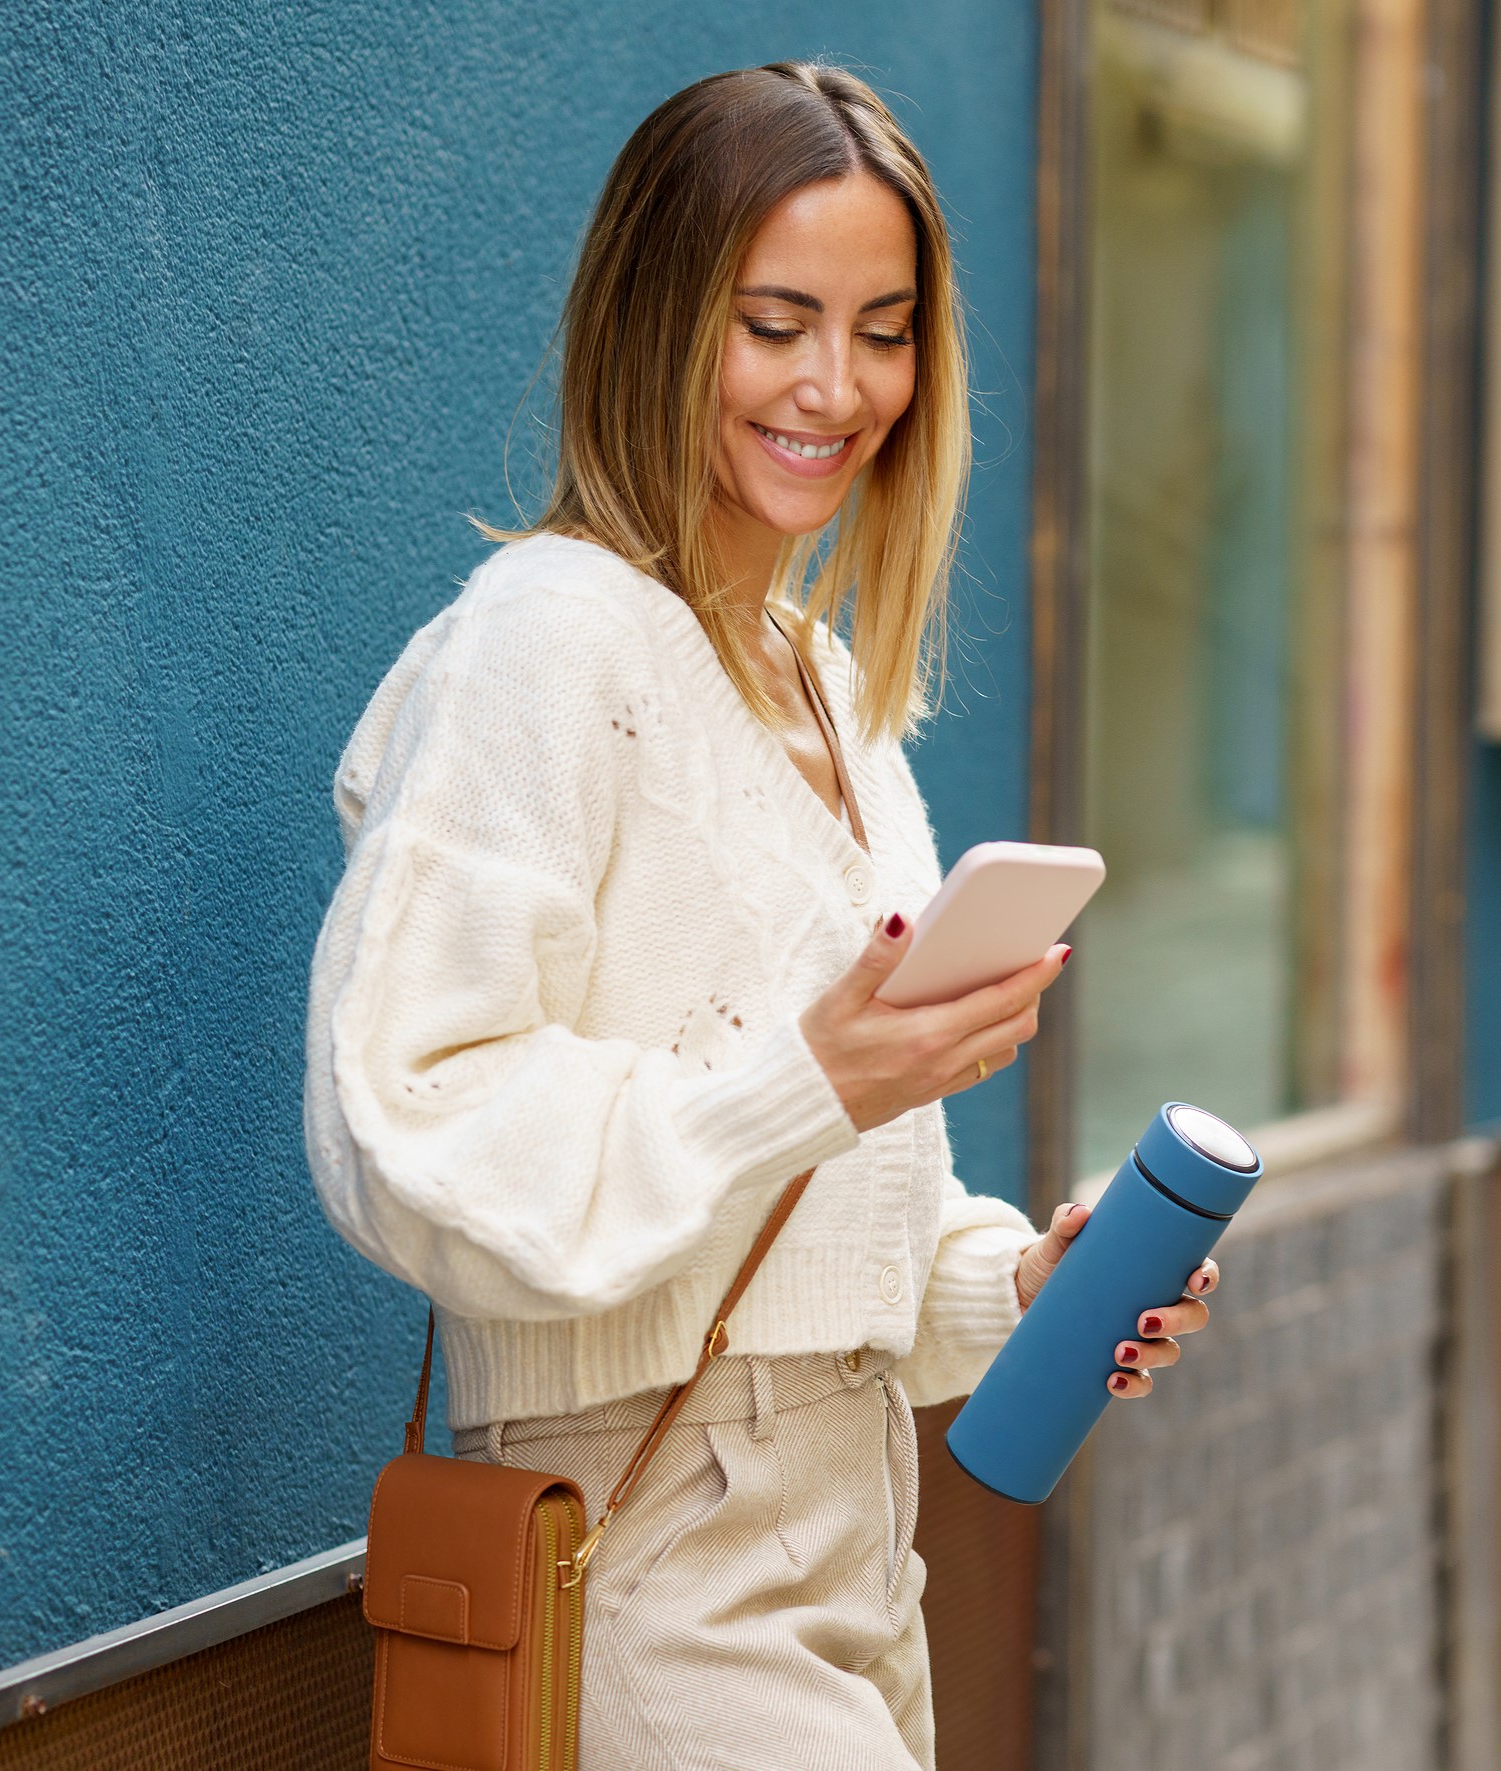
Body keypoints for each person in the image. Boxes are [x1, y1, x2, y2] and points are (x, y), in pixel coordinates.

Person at [304, 60, 1218, 1770]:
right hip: (642, 1531)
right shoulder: (546, 642)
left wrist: (1022, 1288)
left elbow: (819, 1212)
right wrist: (808, 1074)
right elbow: (401, 1123)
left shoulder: (831, 692)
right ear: (659, 319)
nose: (836, 384)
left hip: (854, 1532)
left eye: (883, 330)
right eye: (775, 320)